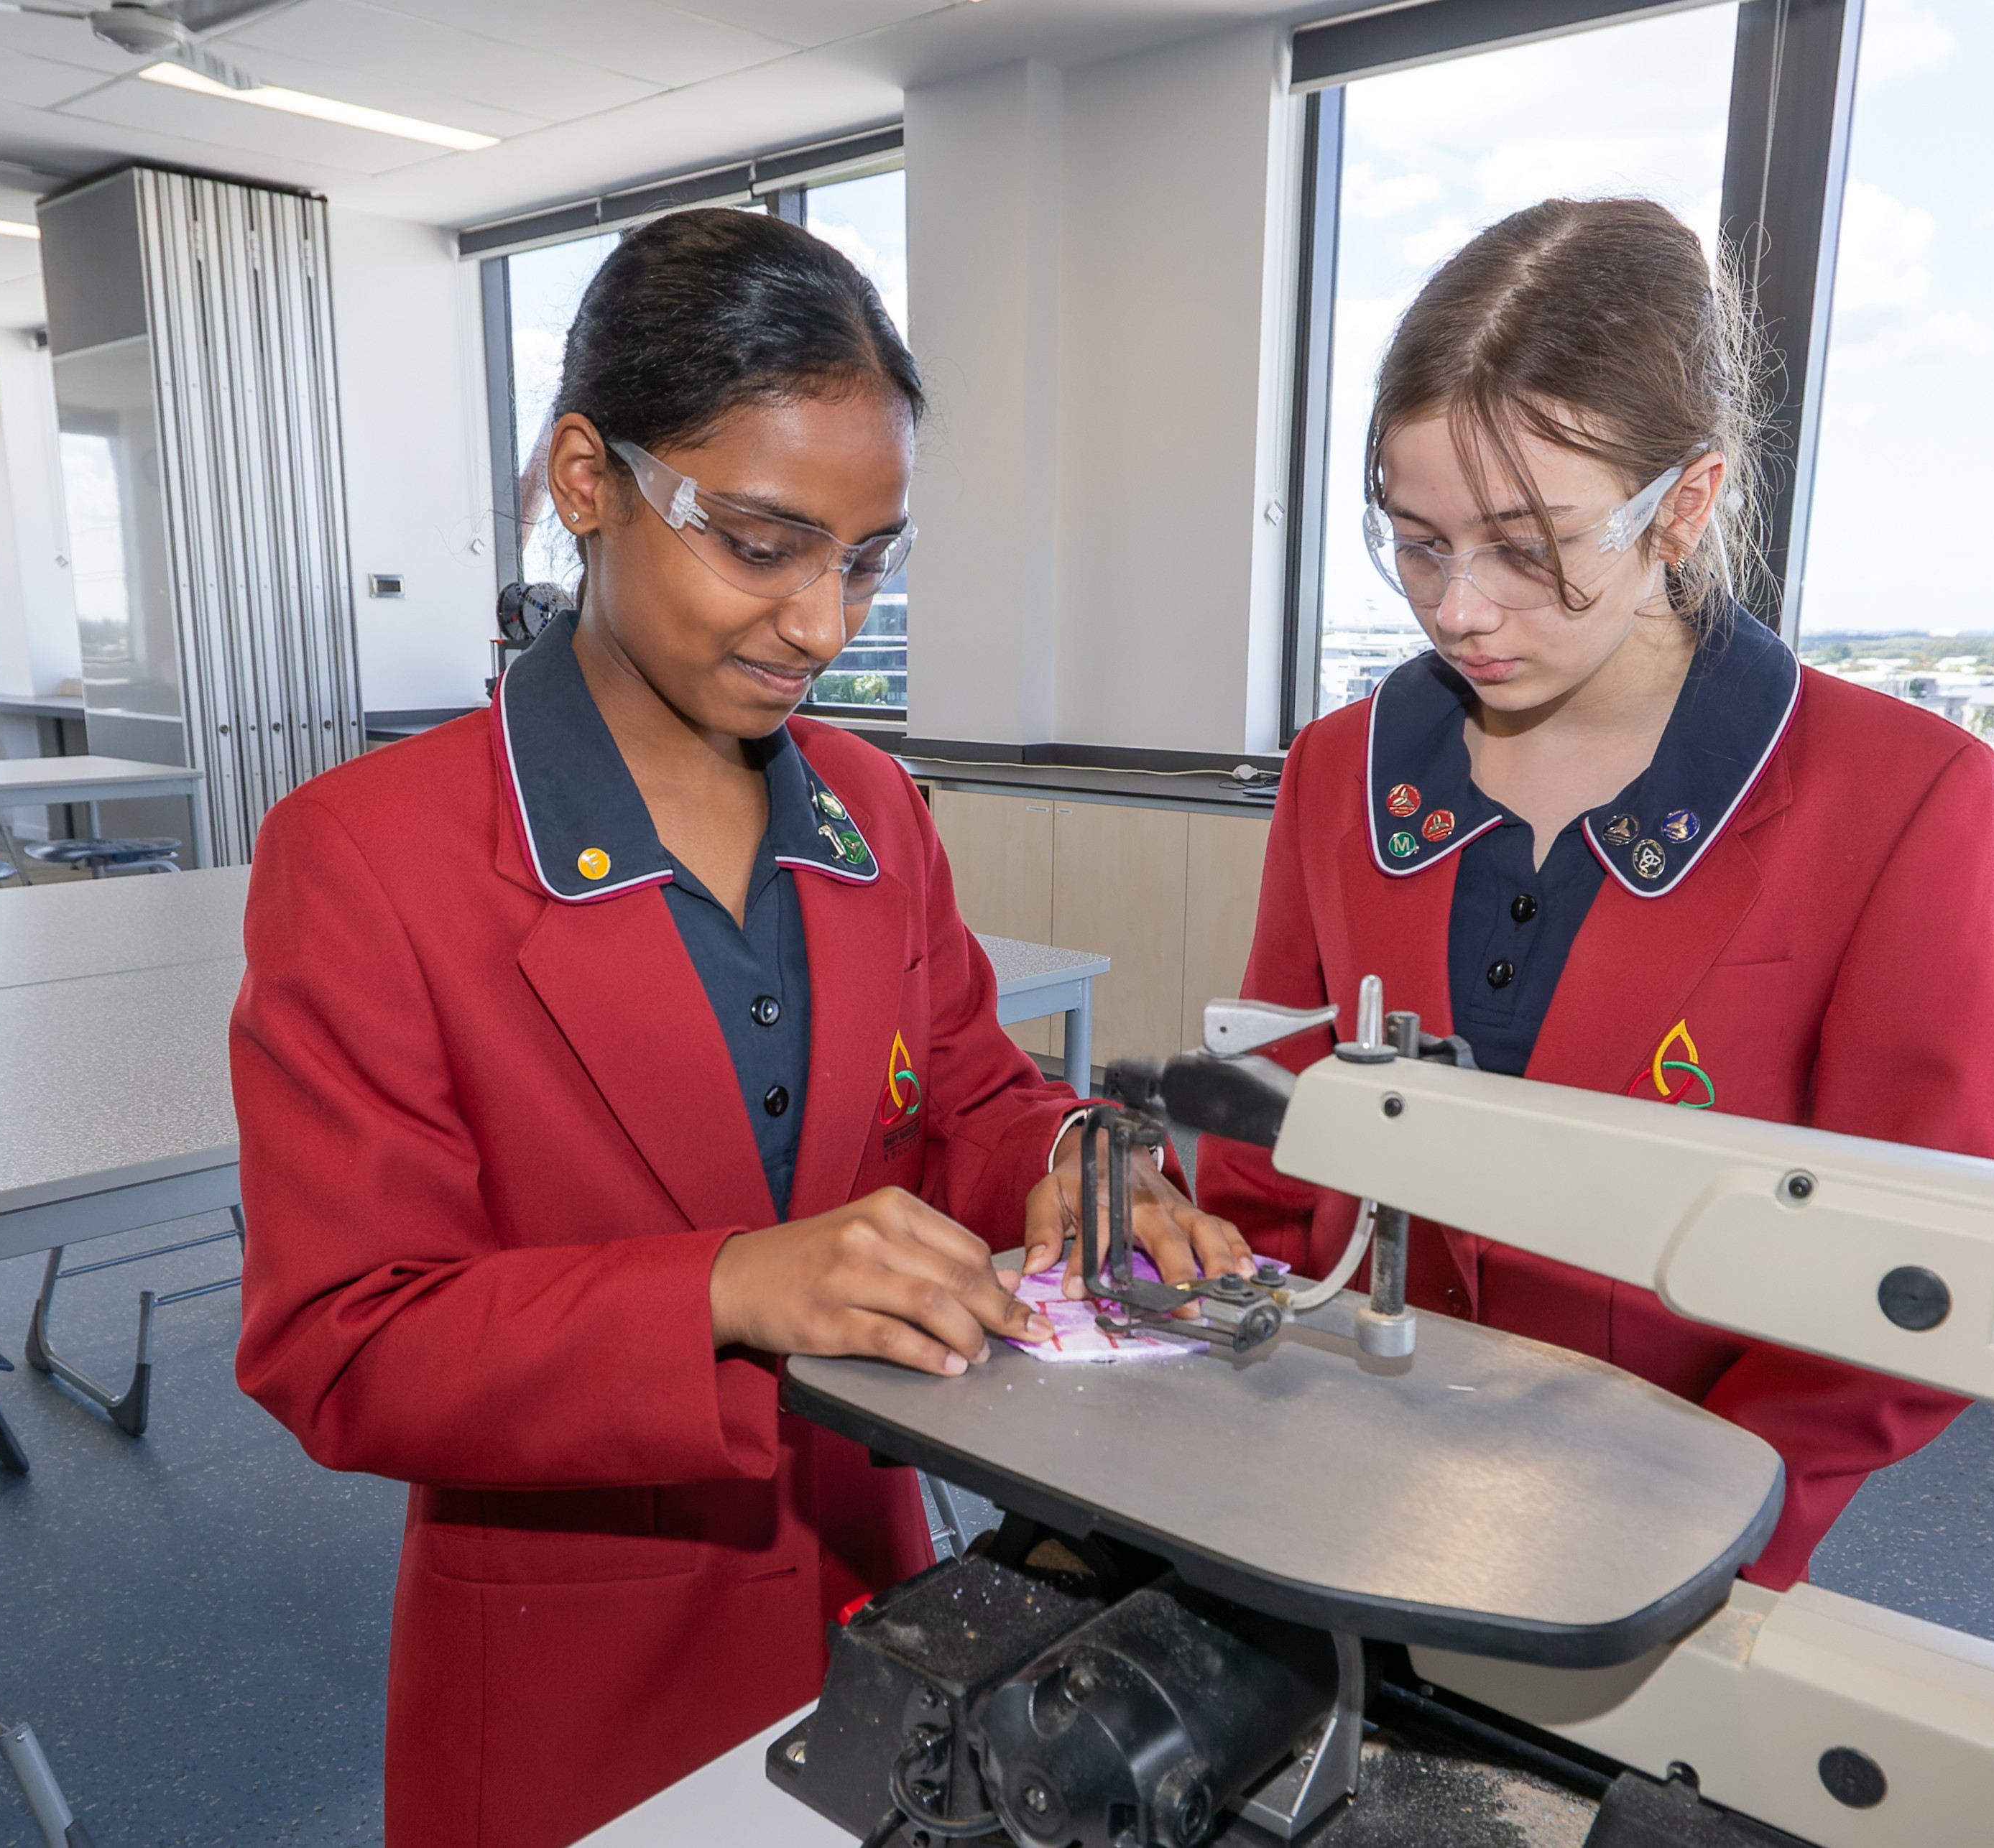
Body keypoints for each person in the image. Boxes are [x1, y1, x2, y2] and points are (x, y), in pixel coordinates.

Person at [229, 209, 1247, 1848]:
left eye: (866, 557)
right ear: (586, 480)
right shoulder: (369, 856)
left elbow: (966, 1090)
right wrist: (722, 1286)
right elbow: (343, 1335)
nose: (823, 624)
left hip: (883, 1594)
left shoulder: (870, 807)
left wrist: (1073, 1153)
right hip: (580, 1657)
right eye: (762, 544)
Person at [1199, 198, 1994, 1589]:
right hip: (1331, 1464)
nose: (1460, 609)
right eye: (1416, 542)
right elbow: (1273, 1146)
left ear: (1682, 506)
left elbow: (1911, 1279)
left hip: (1670, 1521)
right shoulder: (1341, 771)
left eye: (1530, 549)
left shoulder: (1901, 797)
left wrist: (1685, 1532)